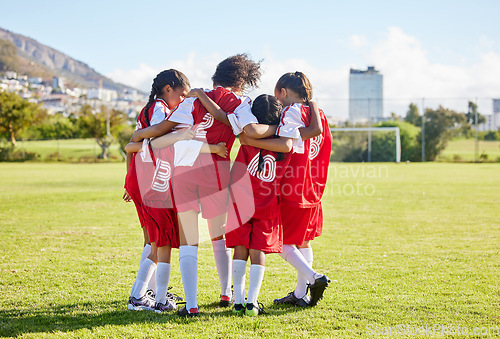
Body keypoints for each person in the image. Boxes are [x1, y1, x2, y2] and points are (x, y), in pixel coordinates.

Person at [130, 54, 274, 317]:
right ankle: (226, 293)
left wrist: (139, 135)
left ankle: (192, 305)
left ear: (216, 77)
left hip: (184, 175)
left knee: (188, 241)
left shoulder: (193, 98)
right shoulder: (241, 102)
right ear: (241, 82)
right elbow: (248, 131)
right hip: (217, 175)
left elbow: (166, 128)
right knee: (218, 236)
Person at [241, 72, 330, 307]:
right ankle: (300, 295)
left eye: (276, 93)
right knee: (303, 241)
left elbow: (286, 145)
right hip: (313, 184)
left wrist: (251, 141)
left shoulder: (291, 112)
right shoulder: (317, 114)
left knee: (282, 241)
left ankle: (314, 277)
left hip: (293, 185)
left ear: (282, 92)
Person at [125, 69, 190, 312]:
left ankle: (149, 293)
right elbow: (156, 135)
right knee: (158, 241)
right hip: (153, 181)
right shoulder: (161, 109)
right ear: (168, 90)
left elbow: (133, 146)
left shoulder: (148, 109)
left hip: (142, 179)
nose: (182, 101)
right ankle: (142, 295)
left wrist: (128, 178)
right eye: (181, 95)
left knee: (154, 240)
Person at [225, 94, 292, 316]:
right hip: (267, 204)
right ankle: (252, 303)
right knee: (258, 250)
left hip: (240, 201)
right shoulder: (282, 146)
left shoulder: (246, 138)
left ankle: (238, 301)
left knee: (240, 248)